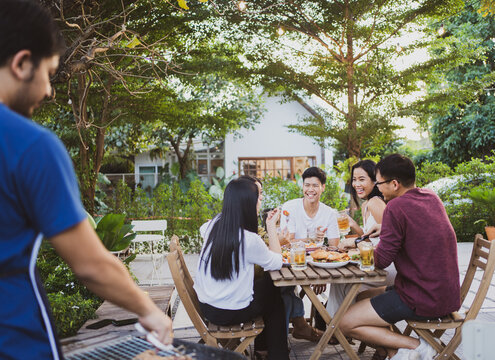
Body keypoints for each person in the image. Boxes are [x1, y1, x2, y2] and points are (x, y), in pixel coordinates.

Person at [0, 1, 172, 359]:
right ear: (21, 63)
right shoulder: (31, 145)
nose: (49, 90)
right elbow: (91, 265)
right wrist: (151, 312)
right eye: (48, 73)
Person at [339, 154, 460, 360]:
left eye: (380, 183)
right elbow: (414, 230)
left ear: (394, 184)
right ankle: (394, 352)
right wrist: (384, 229)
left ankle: (418, 346)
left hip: (421, 297)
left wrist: (357, 244)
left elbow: (381, 260)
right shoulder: (431, 197)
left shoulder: (396, 207)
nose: (378, 187)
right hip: (444, 293)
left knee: (344, 323)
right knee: (361, 297)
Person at [194, 178, 289, 360]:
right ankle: (277, 355)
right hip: (229, 311)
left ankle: (263, 351)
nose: (261, 200)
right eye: (259, 197)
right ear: (248, 202)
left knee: (266, 286)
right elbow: (277, 262)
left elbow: (202, 229)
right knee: (274, 294)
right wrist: (271, 226)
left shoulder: (214, 224)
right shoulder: (248, 240)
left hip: (207, 306)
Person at [326, 160, 397, 321]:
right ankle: (335, 326)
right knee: (339, 283)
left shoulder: (375, 203)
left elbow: (391, 239)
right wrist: (355, 226)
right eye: (354, 179)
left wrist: (355, 244)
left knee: (345, 284)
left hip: (387, 267)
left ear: (375, 181)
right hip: (373, 262)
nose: (356, 184)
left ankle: (338, 326)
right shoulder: (366, 205)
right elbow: (372, 237)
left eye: (362, 179)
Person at [280, 166, 340, 342]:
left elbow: (334, 246)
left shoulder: (328, 213)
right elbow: (287, 242)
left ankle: (331, 326)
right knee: (283, 287)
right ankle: (295, 330)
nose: (310, 190)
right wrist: (310, 238)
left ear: (323, 187)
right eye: (307, 185)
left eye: (315, 185)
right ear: (302, 186)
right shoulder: (290, 207)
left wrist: (322, 275)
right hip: (291, 263)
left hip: (317, 264)